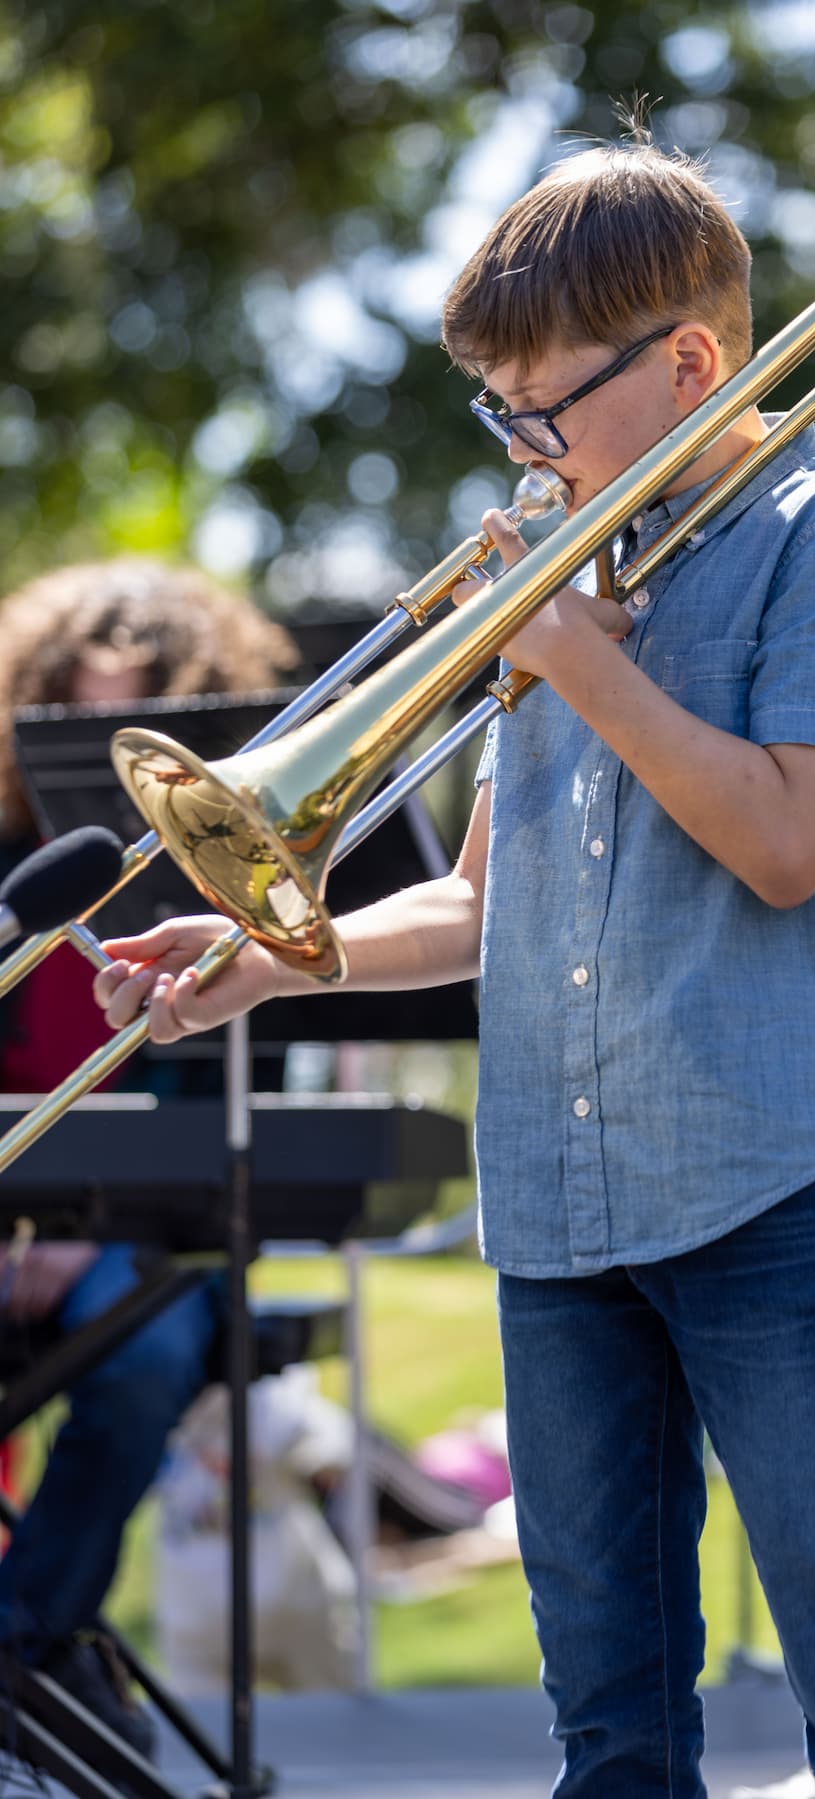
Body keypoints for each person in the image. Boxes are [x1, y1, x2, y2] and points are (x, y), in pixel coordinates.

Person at [96, 137, 815, 1798]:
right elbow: (475, 907)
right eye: (494, 411)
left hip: (772, 1188)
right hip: (562, 1208)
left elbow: (790, 843)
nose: (517, 447)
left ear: (690, 363)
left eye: (539, 407)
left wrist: (579, 658)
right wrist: (272, 956)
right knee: (609, 1728)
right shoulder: (564, 566)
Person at [0, 559, 297, 1765]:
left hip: (148, 1235)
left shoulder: (233, 871)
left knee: (145, 1353)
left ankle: (22, 1640)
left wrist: (80, 1229)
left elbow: (227, 1109)